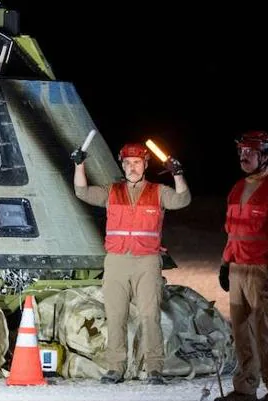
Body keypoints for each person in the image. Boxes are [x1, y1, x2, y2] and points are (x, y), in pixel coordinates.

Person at [72, 140, 190, 384]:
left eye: (137, 162)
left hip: (147, 261)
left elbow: (182, 200)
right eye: (128, 163)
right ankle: (116, 368)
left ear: (145, 164)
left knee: (149, 316)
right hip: (116, 262)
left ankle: (154, 368)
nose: (132, 167)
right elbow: (82, 192)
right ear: (122, 165)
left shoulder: (158, 192)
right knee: (115, 316)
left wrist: (178, 175)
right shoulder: (111, 191)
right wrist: (79, 165)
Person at [214, 130, 268, 401]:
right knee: (241, 331)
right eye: (242, 152)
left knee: (266, 331)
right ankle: (245, 387)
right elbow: (232, 232)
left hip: (261, 269)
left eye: (250, 152)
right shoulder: (237, 187)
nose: (244, 156)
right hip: (237, 268)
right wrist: (226, 263)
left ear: (265, 155)